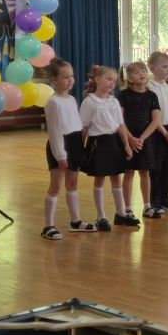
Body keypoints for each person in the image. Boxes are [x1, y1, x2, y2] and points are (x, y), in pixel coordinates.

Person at [41, 57, 97, 240]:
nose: (70, 80)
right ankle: (48, 226)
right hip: (61, 146)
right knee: (56, 186)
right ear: (54, 79)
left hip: (74, 144)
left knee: (72, 184)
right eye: (65, 77)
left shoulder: (72, 99)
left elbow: (77, 124)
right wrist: (60, 155)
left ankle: (75, 221)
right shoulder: (53, 102)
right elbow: (55, 132)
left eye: (71, 76)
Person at [80, 65, 137, 231]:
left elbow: (120, 125)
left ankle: (121, 213)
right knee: (99, 179)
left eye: (114, 81)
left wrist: (126, 145)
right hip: (98, 143)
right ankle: (101, 216)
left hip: (114, 143)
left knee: (116, 179)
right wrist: (80, 148)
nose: (112, 83)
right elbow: (84, 127)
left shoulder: (114, 101)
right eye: (109, 79)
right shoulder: (89, 102)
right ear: (98, 79)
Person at [118, 62, 162, 219]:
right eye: (137, 73)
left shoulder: (152, 96)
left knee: (145, 172)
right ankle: (127, 208)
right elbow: (120, 119)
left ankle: (147, 206)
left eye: (143, 71)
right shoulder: (123, 95)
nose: (142, 74)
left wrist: (141, 139)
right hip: (128, 138)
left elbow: (156, 120)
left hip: (145, 140)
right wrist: (130, 138)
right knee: (128, 173)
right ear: (129, 78)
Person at [147, 51, 168, 213]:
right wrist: (164, 132)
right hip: (156, 132)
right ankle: (155, 200)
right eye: (164, 66)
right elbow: (152, 115)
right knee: (156, 167)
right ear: (153, 68)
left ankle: (165, 198)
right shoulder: (148, 87)